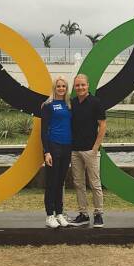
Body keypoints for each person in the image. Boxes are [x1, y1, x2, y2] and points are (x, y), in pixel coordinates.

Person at [69, 74, 107, 227]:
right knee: (78, 183)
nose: (80, 88)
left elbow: (102, 126)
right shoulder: (72, 103)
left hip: (90, 150)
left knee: (95, 184)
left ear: (88, 85)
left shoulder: (96, 102)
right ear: (74, 87)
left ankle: (98, 214)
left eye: (82, 85)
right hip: (75, 150)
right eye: (77, 85)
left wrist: (95, 148)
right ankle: (83, 214)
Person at [40, 76, 73, 228]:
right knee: (51, 182)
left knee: (60, 182)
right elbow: (43, 131)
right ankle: (49, 215)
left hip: (67, 147)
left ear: (66, 88)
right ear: (54, 88)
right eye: (58, 86)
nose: (61, 89)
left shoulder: (69, 104)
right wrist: (46, 152)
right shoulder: (48, 105)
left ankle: (59, 213)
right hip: (53, 147)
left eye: (63, 86)